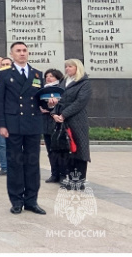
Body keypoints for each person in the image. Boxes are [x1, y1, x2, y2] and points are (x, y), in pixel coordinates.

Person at [0, 41, 46, 215]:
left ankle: (32, 200)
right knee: (15, 164)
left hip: (32, 124)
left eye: (24, 50)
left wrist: (50, 103)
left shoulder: (37, 74)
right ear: (12, 53)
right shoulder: (4, 74)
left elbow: (41, 100)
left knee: (32, 164)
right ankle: (16, 201)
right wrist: (1, 124)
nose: (22, 53)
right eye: (18, 51)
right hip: (13, 125)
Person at [49, 59, 91, 189]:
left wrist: (64, 114)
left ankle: (79, 182)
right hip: (62, 121)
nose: (67, 69)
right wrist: (54, 113)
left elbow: (80, 102)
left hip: (77, 121)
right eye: (66, 67)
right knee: (67, 151)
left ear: (77, 68)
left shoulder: (84, 83)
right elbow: (58, 100)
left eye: (70, 66)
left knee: (79, 150)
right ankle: (70, 180)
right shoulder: (63, 82)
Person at [40, 69, 65, 184]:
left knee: (59, 150)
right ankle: (54, 173)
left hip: (57, 122)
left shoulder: (61, 89)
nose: (48, 78)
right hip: (45, 123)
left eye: (52, 76)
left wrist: (51, 109)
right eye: (47, 76)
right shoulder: (42, 90)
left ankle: (63, 174)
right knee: (50, 150)